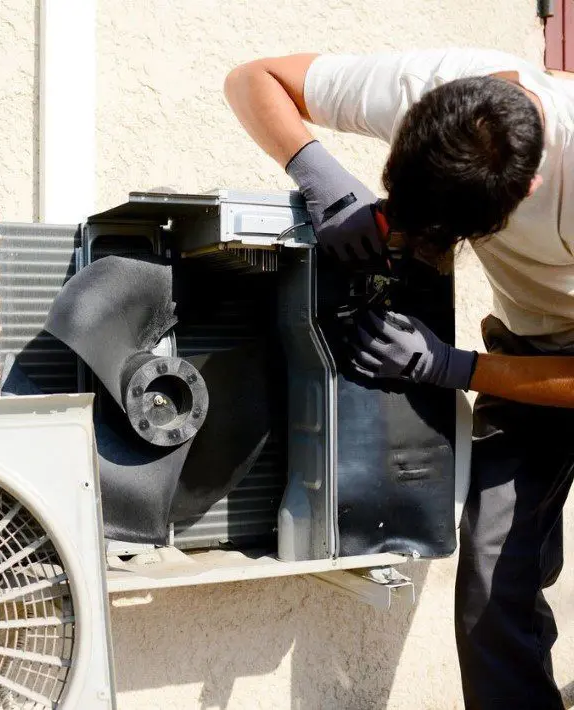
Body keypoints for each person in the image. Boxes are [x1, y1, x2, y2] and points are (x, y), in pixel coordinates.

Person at [225, 48, 574, 709]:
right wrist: (317, 171)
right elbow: (253, 80)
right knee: (493, 588)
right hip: (531, 344)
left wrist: (456, 367)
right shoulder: (436, 89)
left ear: (524, 191)